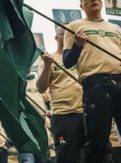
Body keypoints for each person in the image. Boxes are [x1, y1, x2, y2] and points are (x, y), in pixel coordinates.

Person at [63, 0, 121, 163]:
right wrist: (78, 45)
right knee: (97, 141)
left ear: (101, 1)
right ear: (81, 5)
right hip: (95, 84)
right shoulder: (74, 27)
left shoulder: (115, 28)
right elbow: (67, 61)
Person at [37, 27, 84, 163]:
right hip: (63, 115)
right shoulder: (49, 59)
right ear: (56, 38)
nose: (68, 37)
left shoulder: (82, 57)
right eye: (64, 34)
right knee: (66, 156)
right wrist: (47, 65)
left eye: (71, 34)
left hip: (86, 112)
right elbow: (40, 88)